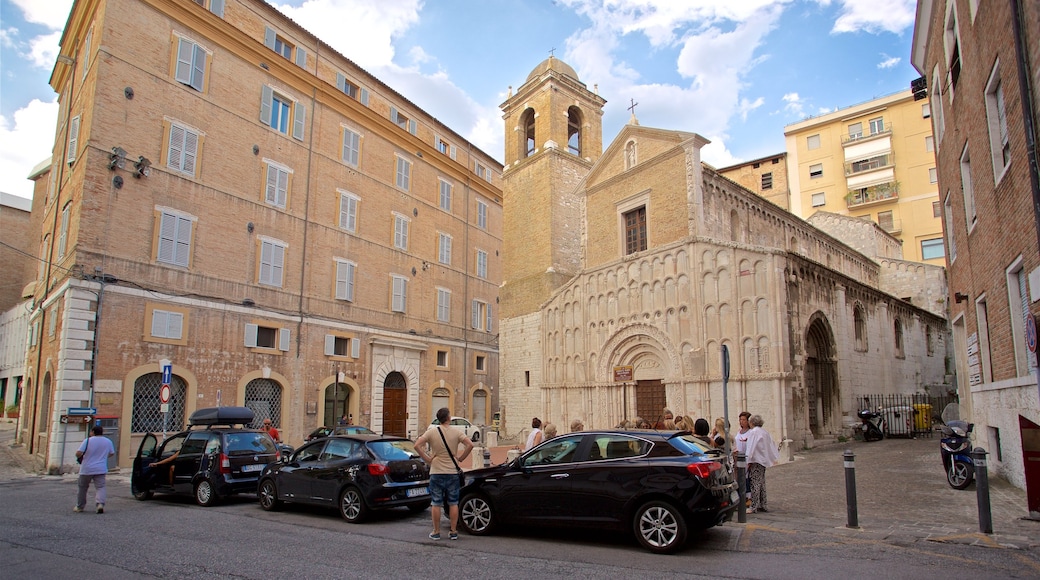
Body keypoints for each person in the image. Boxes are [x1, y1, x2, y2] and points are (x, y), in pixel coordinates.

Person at [414, 407, 473, 540]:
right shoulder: (456, 432)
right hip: (452, 470)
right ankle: (453, 531)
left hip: (436, 470)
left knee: (436, 503)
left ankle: (436, 531)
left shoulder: (432, 432)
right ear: (448, 418)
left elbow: (417, 445)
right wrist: (461, 458)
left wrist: (428, 459)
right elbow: (470, 445)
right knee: (453, 502)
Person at [74, 425, 116, 514]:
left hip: (87, 468)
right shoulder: (108, 441)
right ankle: (100, 504)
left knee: (82, 487)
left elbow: (78, 453)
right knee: (100, 487)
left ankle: (80, 506)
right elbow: (112, 453)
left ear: (93, 432)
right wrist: (103, 457)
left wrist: (80, 457)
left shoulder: (88, 440)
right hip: (101, 468)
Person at [744, 414, 780, 513]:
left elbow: (751, 447)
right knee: (761, 482)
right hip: (763, 461)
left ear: (752, 423)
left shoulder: (753, 432)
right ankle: (763, 503)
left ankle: (754, 506)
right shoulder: (764, 432)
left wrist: (748, 460)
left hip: (755, 460)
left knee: (755, 483)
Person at [734, 411, 752, 505]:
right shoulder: (738, 432)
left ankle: (749, 497)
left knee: (747, 477)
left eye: (744, 419)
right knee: (740, 478)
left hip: (747, 458)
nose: (742, 421)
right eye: (740, 419)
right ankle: (742, 496)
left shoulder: (751, 432)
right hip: (739, 458)